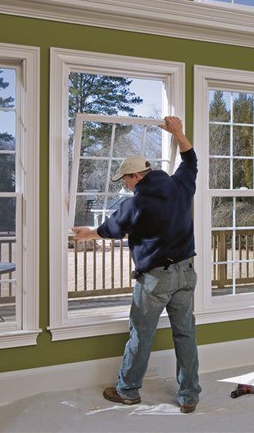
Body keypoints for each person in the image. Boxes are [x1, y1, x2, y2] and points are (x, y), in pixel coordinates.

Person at [71, 116, 201, 414]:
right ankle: (189, 395)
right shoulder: (179, 185)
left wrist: (85, 234)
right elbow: (191, 160)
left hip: (156, 278)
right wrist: (179, 133)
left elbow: (111, 229)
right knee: (185, 333)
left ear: (136, 176)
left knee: (141, 334)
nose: (126, 186)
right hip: (186, 271)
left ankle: (128, 390)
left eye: (126, 180)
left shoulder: (135, 204)